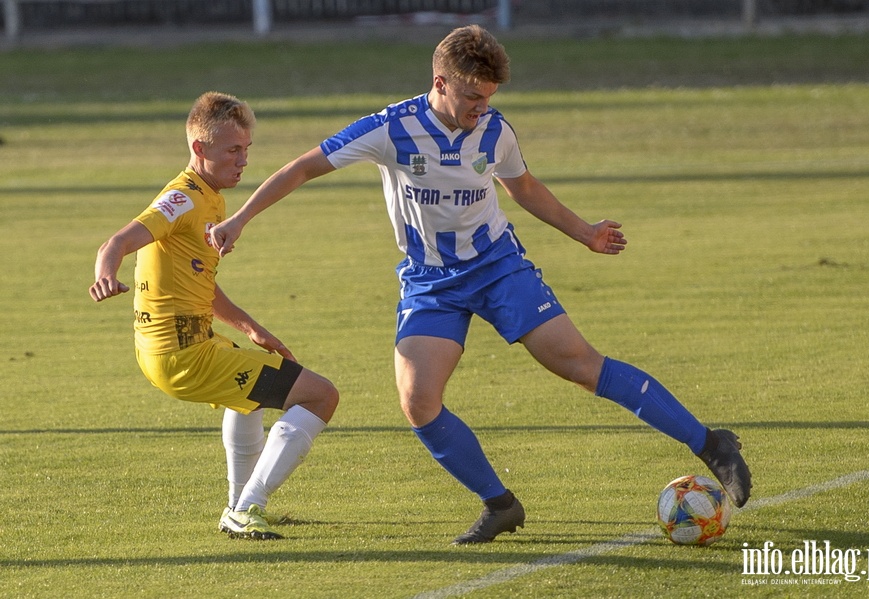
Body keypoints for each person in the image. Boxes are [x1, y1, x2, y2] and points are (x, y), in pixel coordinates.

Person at [211, 25, 751, 544]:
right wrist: (240, 220)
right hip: (430, 281)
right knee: (418, 400)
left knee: (581, 366)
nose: (481, 107)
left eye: (489, 96)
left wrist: (585, 232)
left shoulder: (495, 131)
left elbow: (525, 188)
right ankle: (499, 504)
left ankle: (711, 444)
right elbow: (301, 168)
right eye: (472, 95)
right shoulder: (390, 128)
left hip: (498, 267)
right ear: (440, 83)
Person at [89, 91, 339, 540]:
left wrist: (251, 328)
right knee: (321, 396)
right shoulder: (182, 199)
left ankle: (239, 503)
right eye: (232, 151)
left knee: (247, 398)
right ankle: (246, 508)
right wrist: (106, 273)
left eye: (246, 150)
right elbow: (117, 242)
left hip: (185, 346)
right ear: (199, 149)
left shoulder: (211, 196)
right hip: (180, 353)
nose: (243, 161)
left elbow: (199, 280)